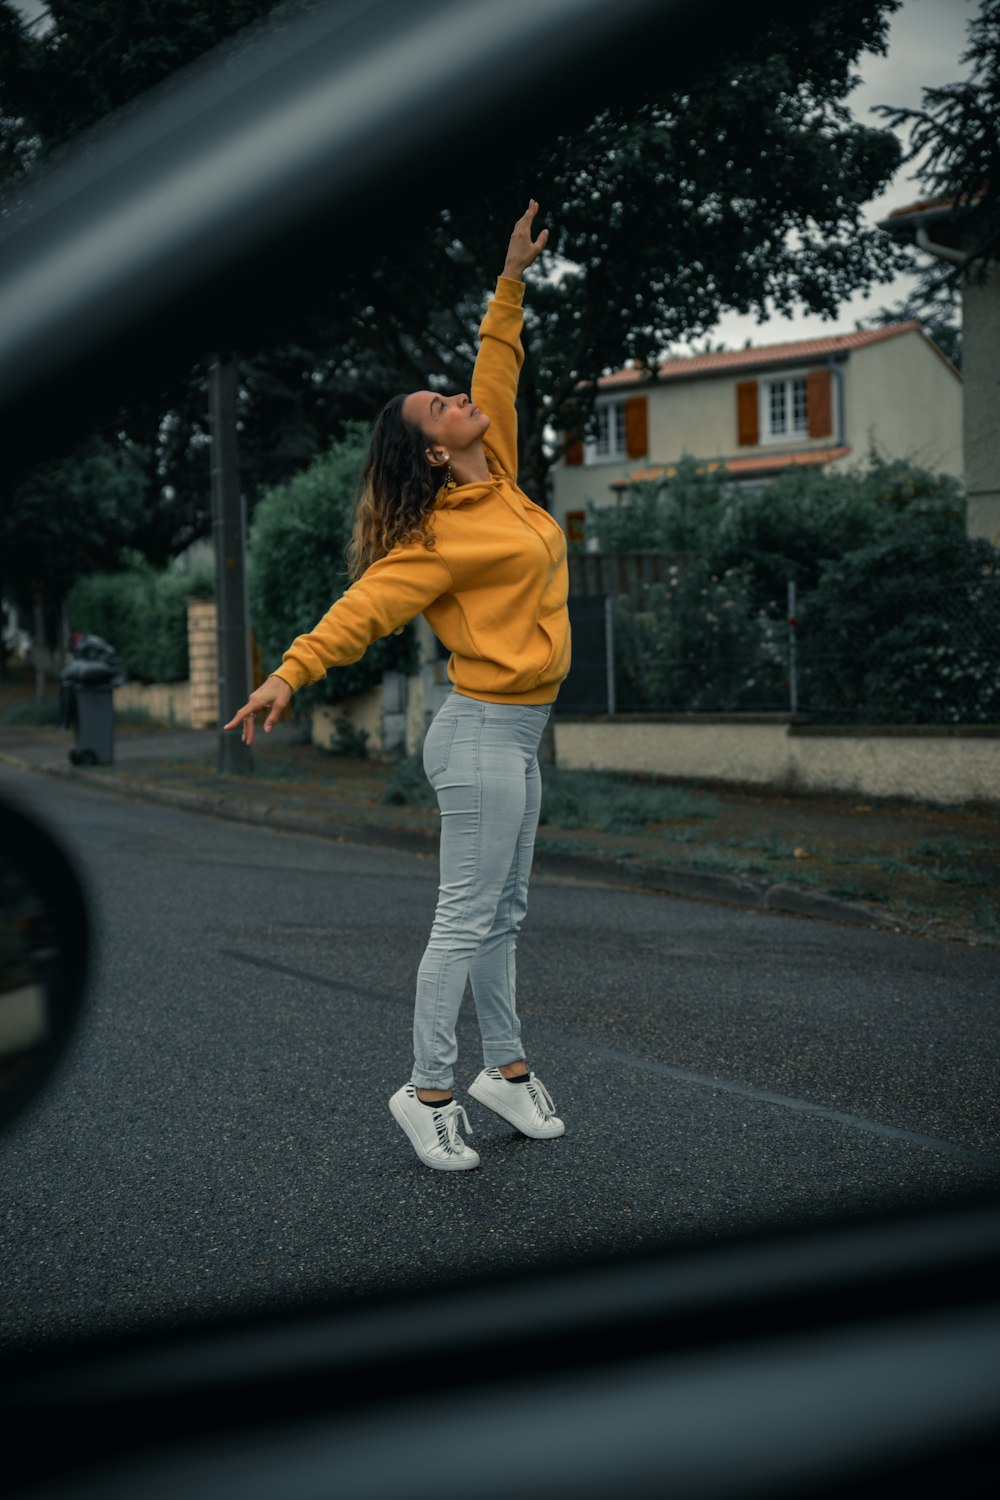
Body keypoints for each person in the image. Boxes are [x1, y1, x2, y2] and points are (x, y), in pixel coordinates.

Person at [225, 201, 571, 1172]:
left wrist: (508, 280)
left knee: (505, 914)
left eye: (450, 398)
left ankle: (502, 1073)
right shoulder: (433, 541)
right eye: (440, 407)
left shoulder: (494, 469)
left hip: (518, 732)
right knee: (465, 917)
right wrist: (287, 675)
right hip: (478, 735)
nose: (458, 402)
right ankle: (424, 1091)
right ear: (429, 449)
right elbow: (362, 608)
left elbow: (495, 368)